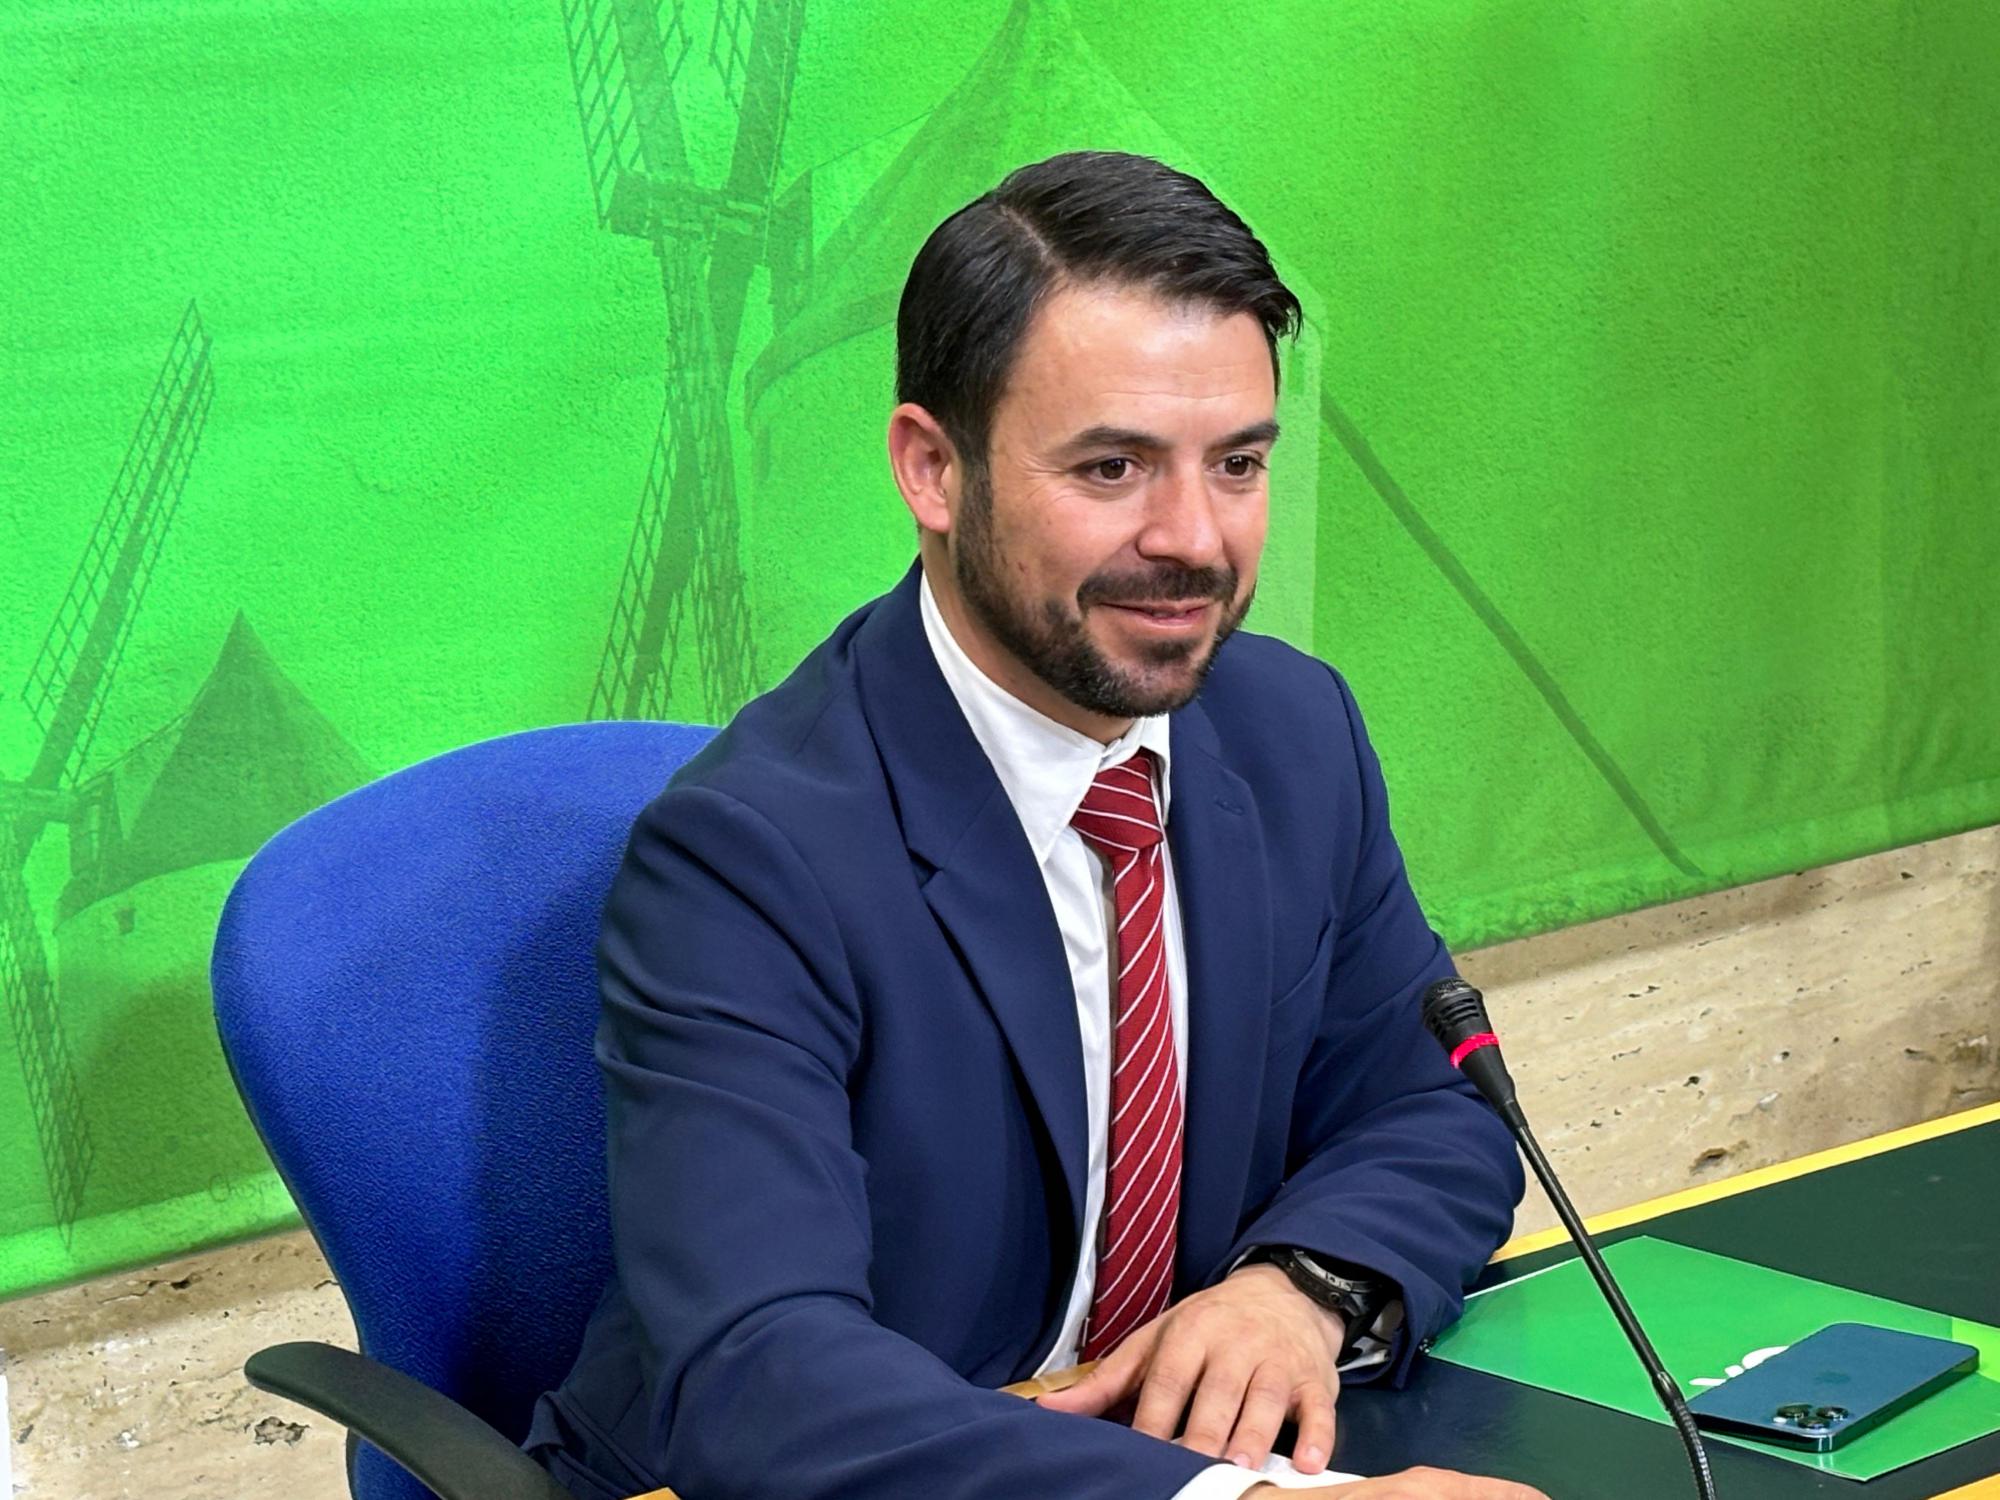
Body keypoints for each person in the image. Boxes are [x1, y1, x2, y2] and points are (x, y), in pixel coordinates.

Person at [526, 150, 1540, 1500]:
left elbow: (1433, 1109)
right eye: (1113, 467)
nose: (1195, 539)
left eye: (1238, 463)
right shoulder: (745, 857)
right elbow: (763, 1380)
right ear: (933, 470)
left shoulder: (1294, 734)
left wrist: (1297, 1289)